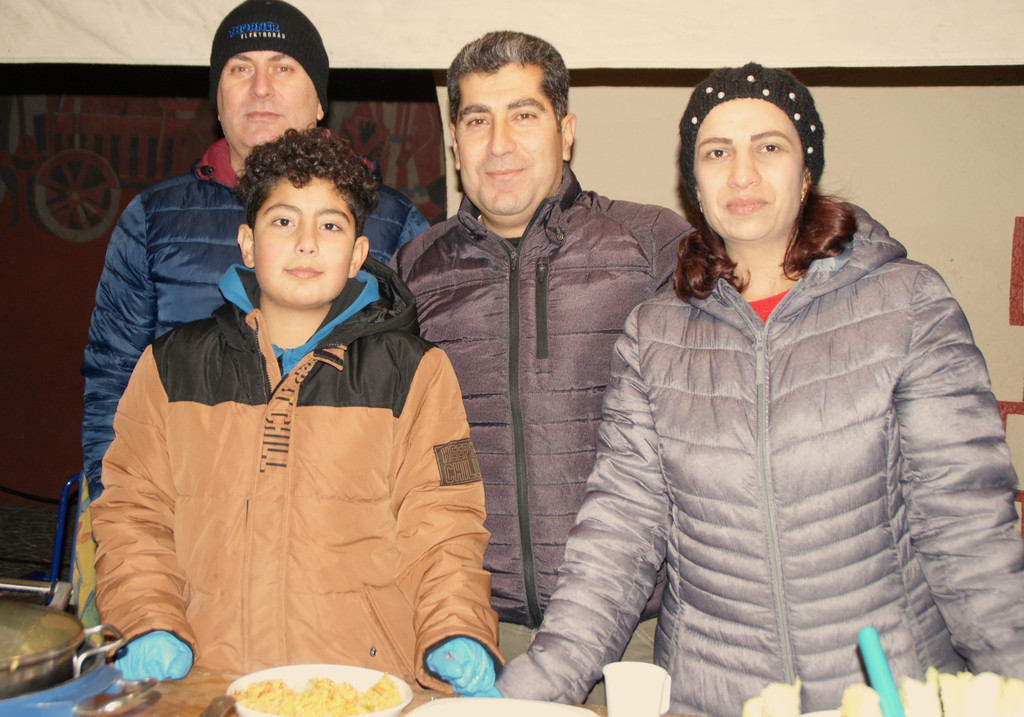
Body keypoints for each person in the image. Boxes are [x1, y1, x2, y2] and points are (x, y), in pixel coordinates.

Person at [494, 62, 1024, 715]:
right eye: (717, 153)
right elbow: (619, 537)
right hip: (713, 699)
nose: (742, 173)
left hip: (884, 696)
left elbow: (968, 533)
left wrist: (1014, 675)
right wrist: (525, 696)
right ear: (695, 184)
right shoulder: (655, 336)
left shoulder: (907, 306)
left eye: (768, 147)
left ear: (806, 173)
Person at [91, 128, 500, 694]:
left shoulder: (417, 373)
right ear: (248, 243)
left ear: (358, 254)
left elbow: (446, 523)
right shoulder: (170, 366)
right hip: (209, 683)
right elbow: (132, 515)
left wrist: (457, 628)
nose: (307, 243)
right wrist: (147, 620)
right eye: (283, 221)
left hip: (359, 688)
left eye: (330, 226)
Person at [76, 0, 428, 621]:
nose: (261, 87)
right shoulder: (153, 220)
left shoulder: (392, 222)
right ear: (217, 100)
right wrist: (123, 521)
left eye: (284, 67)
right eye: (240, 68)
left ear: (320, 101)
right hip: (180, 536)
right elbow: (111, 376)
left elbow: (423, 398)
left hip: (336, 558)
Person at [389, 30, 691, 696]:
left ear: (566, 132)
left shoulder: (652, 246)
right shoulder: (411, 272)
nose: (499, 144)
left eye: (523, 114)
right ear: (454, 142)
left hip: (631, 640)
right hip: (469, 635)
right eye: (477, 120)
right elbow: (407, 456)